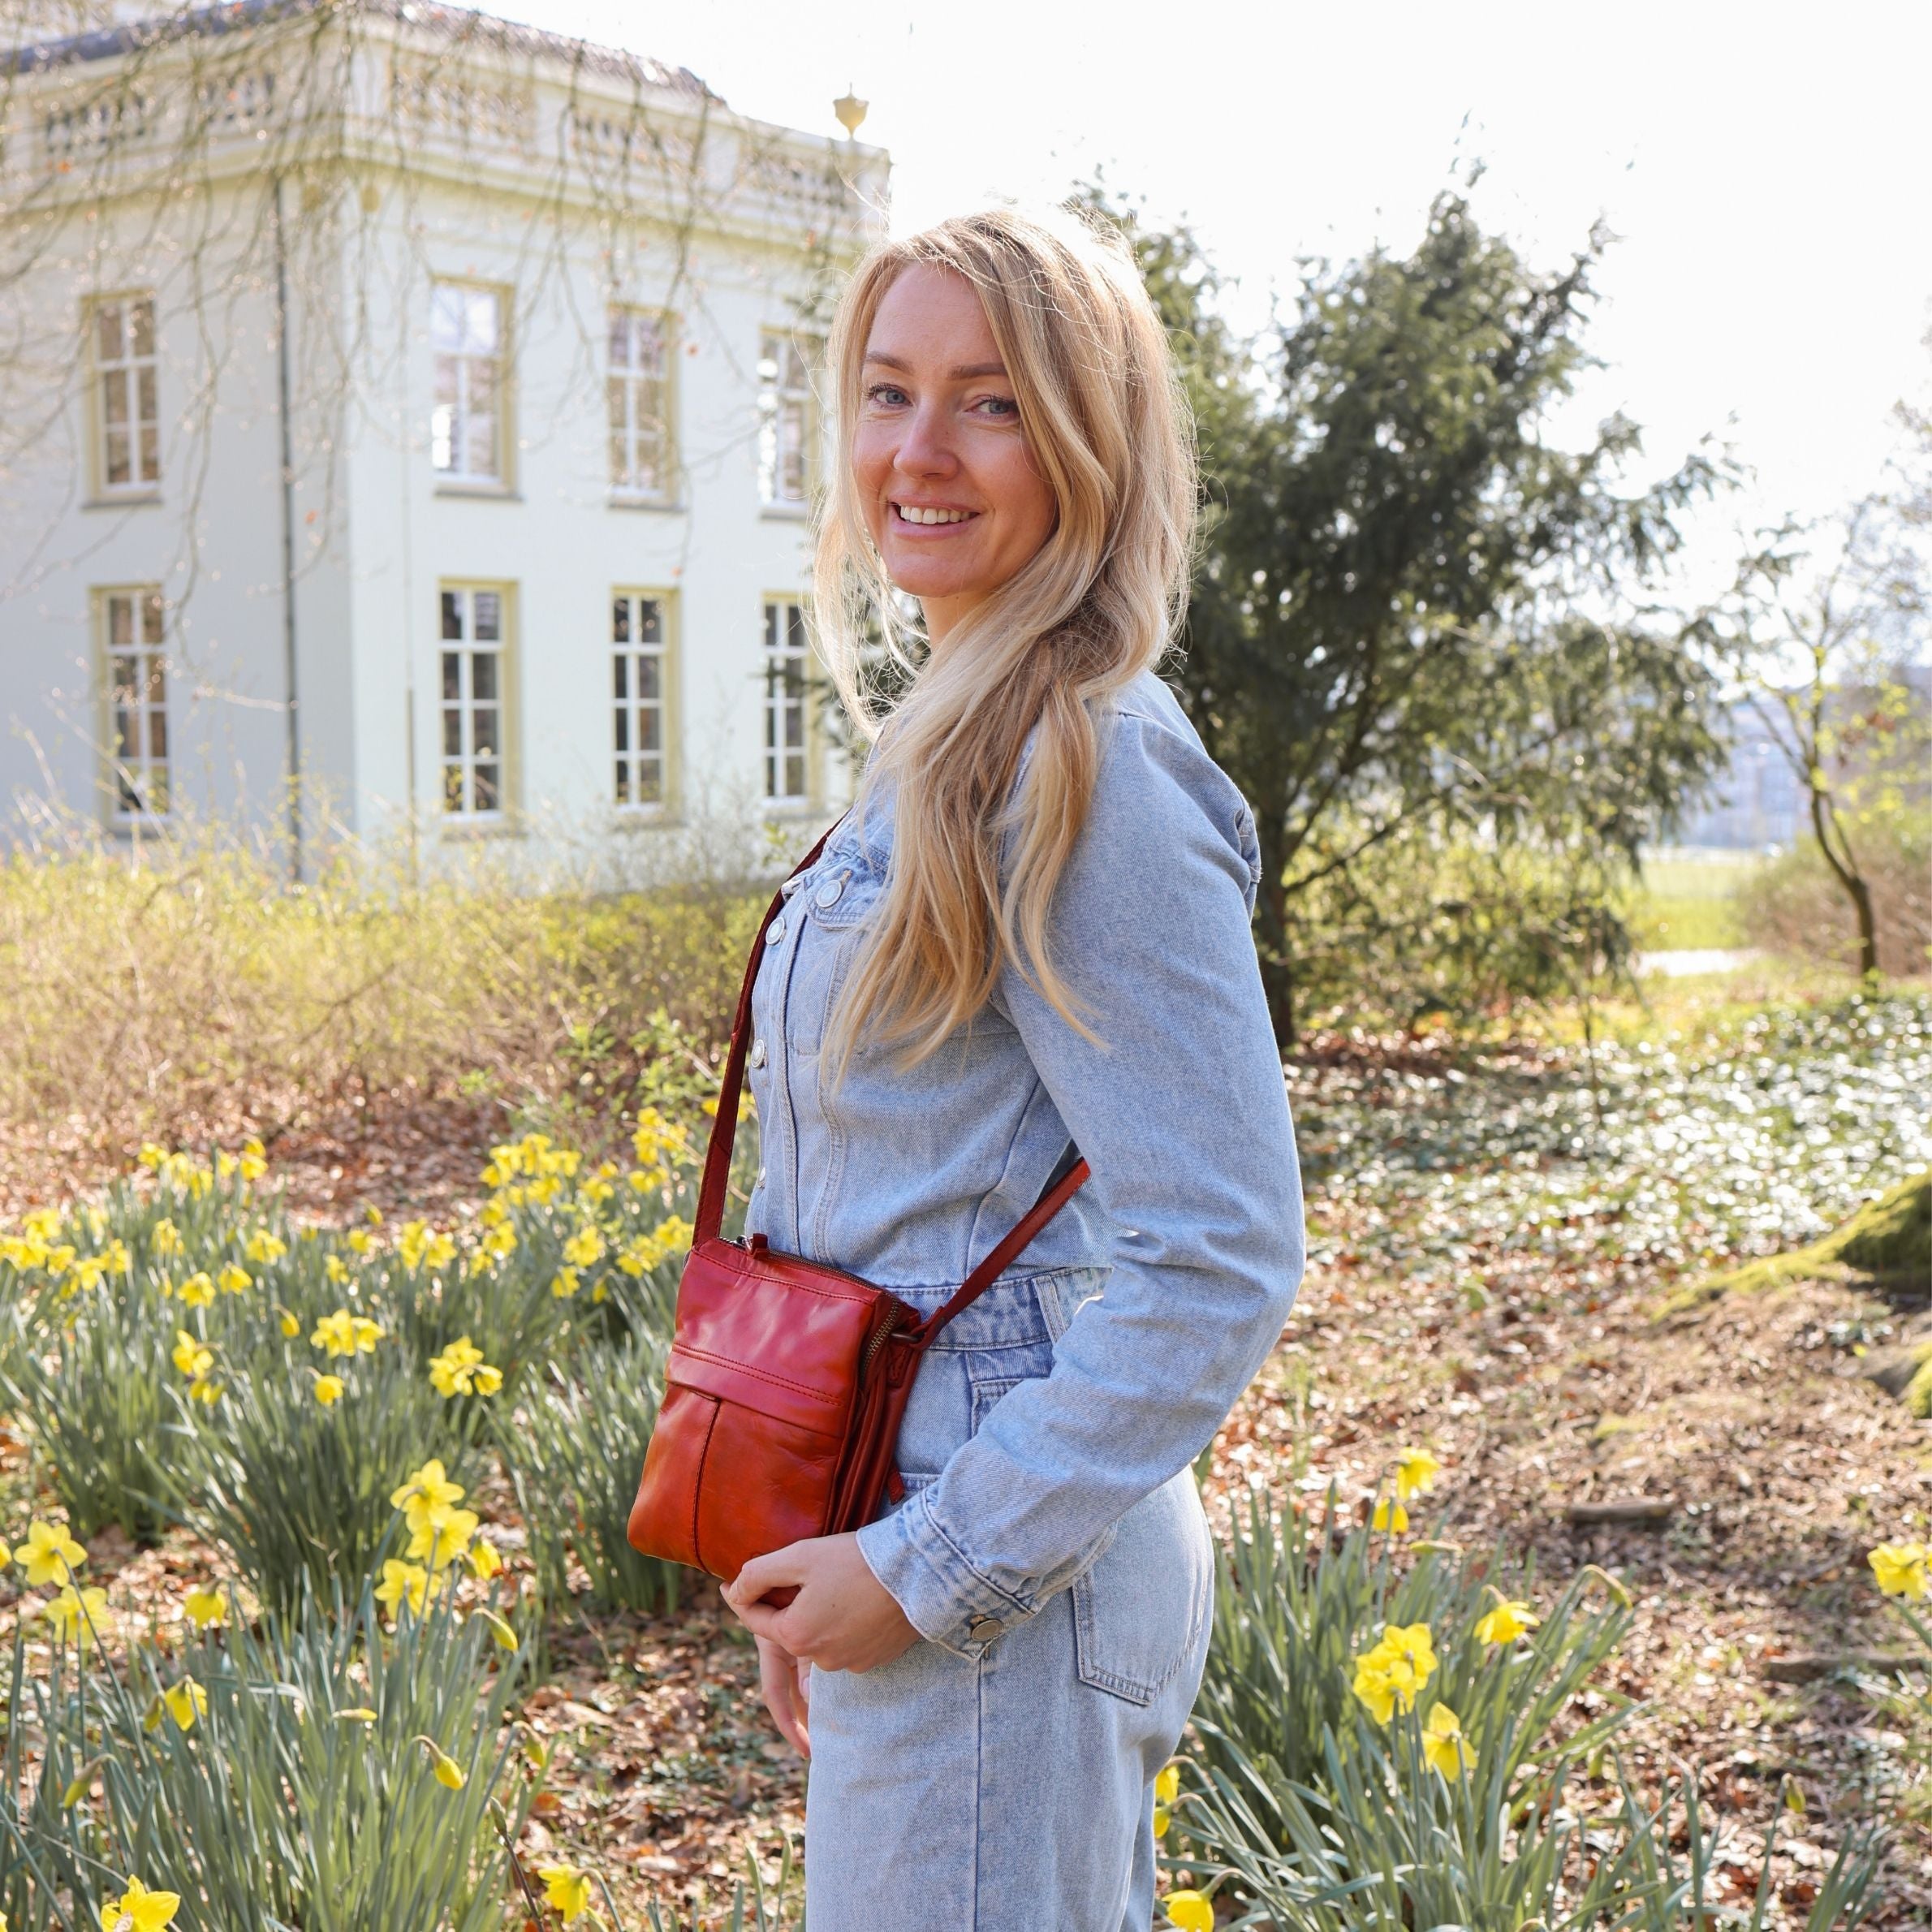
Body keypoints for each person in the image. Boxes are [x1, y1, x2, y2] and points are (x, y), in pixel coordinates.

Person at [718, 203, 1305, 1932]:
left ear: (1088, 442)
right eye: (887, 391)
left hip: (998, 1574)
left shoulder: (1090, 768)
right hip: (929, 1533)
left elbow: (1221, 1252)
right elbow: (891, 1202)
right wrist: (838, 1540)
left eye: (988, 402)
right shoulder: (954, 742)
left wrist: (923, 1568)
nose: (918, 448)